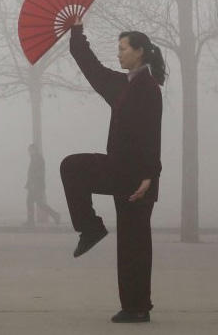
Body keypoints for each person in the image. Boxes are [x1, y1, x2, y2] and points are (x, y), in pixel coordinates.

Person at [59, 19, 165, 323]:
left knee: (135, 241)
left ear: (139, 51)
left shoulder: (147, 88)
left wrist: (149, 175)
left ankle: (137, 307)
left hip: (137, 176)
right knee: (131, 241)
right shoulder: (124, 85)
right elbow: (90, 66)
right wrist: (76, 32)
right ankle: (135, 305)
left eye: (122, 49)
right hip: (123, 170)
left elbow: (151, 133)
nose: (118, 54)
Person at [25, 144, 60, 226]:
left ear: (35, 150)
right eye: (29, 150)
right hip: (34, 185)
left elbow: (37, 173)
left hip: (35, 186)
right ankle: (55, 215)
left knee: (31, 202)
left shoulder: (37, 159)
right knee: (39, 203)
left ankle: (31, 221)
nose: (30, 152)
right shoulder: (35, 158)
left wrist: (33, 184)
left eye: (31, 150)